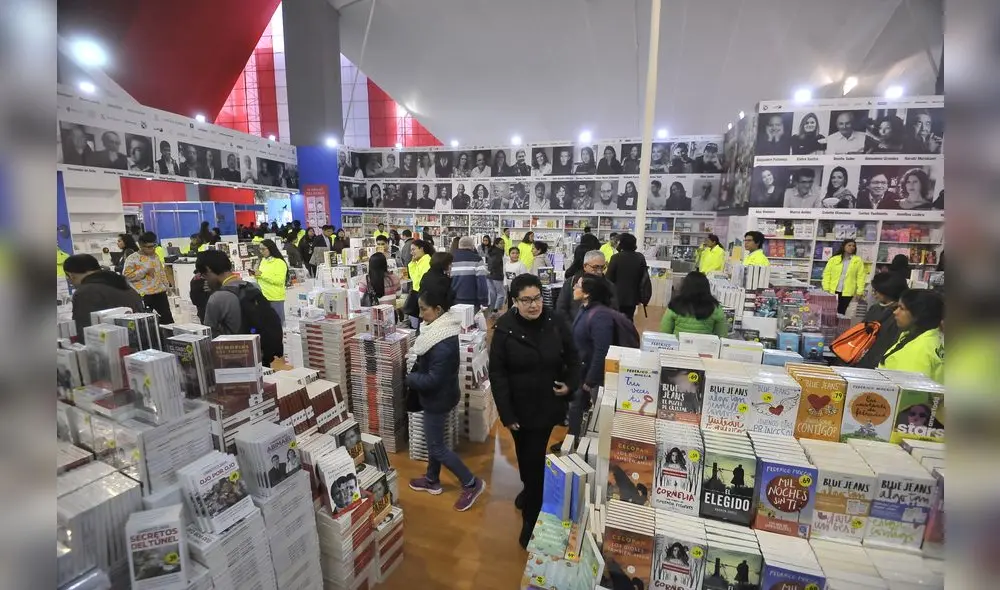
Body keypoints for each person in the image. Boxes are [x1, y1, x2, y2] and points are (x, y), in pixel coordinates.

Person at [489, 273, 580, 548]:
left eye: (537, 297)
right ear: (515, 301)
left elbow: (574, 358)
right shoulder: (505, 327)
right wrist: (506, 412)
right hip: (517, 407)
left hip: (546, 405)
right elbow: (497, 373)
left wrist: (570, 385)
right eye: (526, 300)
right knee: (525, 455)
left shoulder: (556, 322)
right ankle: (530, 490)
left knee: (532, 458)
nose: (533, 305)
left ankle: (532, 515)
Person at [407, 289, 487, 509]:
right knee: (436, 443)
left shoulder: (442, 343)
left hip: (437, 399)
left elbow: (432, 380)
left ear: (438, 310)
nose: (421, 314)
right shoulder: (438, 331)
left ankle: (471, 483)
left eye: (424, 309)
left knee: (437, 448)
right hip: (442, 395)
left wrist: (410, 378)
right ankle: (432, 480)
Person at [196, 250, 282, 362]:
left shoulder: (217, 298)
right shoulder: (253, 287)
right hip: (262, 355)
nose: (206, 281)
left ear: (208, 269)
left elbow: (209, 337)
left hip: (237, 363)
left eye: (205, 276)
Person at [569, 274, 617, 438]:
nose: (574, 288)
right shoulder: (584, 309)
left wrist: (590, 380)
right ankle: (574, 440)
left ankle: (576, 443)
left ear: (587, 293)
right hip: (582, 371)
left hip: (592, 377)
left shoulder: (599, 315)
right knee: (575, 407)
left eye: (578, 285)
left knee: (597, 412)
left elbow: (602, 350)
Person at [62, 254, 145, 340]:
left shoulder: (85, 292)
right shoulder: (123, 284)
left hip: (111, 346)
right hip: (139, 341)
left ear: (70, 275)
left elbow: (84, 330)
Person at [878, 289, 944, 383]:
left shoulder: (919, 348)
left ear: (918, 314)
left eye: (902, 308)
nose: (895, 312)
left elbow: (911, 392)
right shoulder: (932, 338)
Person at [854, 272, 907, 369]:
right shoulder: (875, 308)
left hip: (880, 364)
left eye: (876, 291)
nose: (874, 294)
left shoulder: (901, 315)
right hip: (864, 358)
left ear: (888, 291)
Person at [122, 232, 174, 323]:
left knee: (167, 320)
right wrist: (144, 271)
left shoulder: (156, 256)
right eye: (149, 247)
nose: (153, 249)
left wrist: (167, 287)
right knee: (149, 322)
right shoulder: (132, 258)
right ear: (141, 246)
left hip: (160, 293)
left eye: (154, 246)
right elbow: (127, 276)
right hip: (144, 295)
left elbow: (161, 272)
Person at [659, 271, 728, 337]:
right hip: (705, 347)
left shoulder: (675, 305)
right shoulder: (715, 307)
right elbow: (722, 335)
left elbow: (664, 332)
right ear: (707, 287)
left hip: (678, 346)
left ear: (684, 286)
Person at [556, 250, 618, 321]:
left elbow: (614, 311)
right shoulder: (571, 282)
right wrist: (573, 328)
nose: (599, 271)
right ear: (585, 266)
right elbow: (561, 309)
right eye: (595, 267)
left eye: (602, 267)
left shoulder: (609, 286)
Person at [605, 233, 647, 321]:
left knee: (616, 321)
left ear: (622, 243)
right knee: (628, 320)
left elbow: (609, 279)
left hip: (617, 296)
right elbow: (643, 277)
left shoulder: (616, 258)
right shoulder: (640, 257)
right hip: (633, 296)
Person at [821, 239, 868, 314]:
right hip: (832, 290)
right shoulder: (834, 259)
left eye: (853, 246)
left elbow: (861, 277)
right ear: (844, 246)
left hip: (848, 292)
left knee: (841, 311)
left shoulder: (858, 260)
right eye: (849, 245)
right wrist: (826, 288)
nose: (852, 247)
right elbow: (827, 274)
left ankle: (840, 325)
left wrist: (860, 291)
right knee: (830, 311)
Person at [250, 239, 288, 326]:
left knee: (277, 325)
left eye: (263, 249)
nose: (261, 251)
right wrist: (255, 274)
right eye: (260, 249)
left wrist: (262, 275)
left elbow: (279, 280)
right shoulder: (263, 261)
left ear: (270, 248)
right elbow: (261, 277)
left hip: (275, 298)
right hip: (263, 297)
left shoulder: (279, 262)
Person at [451, 237, 490, 310]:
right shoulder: (477, 259)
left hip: (454, 300)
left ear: (459, 245)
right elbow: (482, 283)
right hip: (472, 301)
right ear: (472, 246)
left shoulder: (451, 259)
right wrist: (484, 301)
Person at [405, 239, 434, 326]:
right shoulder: (420, 261)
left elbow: (419, 280)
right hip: (418, 294)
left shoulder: (427, 261)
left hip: (422, 295)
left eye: (413, 249)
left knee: (420, 323)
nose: (411, 252)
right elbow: (414, 278)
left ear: (421, 249)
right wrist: (412, 263)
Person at [485, 237, 506, 315]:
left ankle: (492, 309)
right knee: (501, 294)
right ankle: (496, 309)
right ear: (496, 244)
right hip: (497, 275)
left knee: (492, 293)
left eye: (504, 243)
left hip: (489, 275)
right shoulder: (499, 253)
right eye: (501, 243)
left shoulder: (492, 251)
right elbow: (496, 264)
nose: (503, 245)